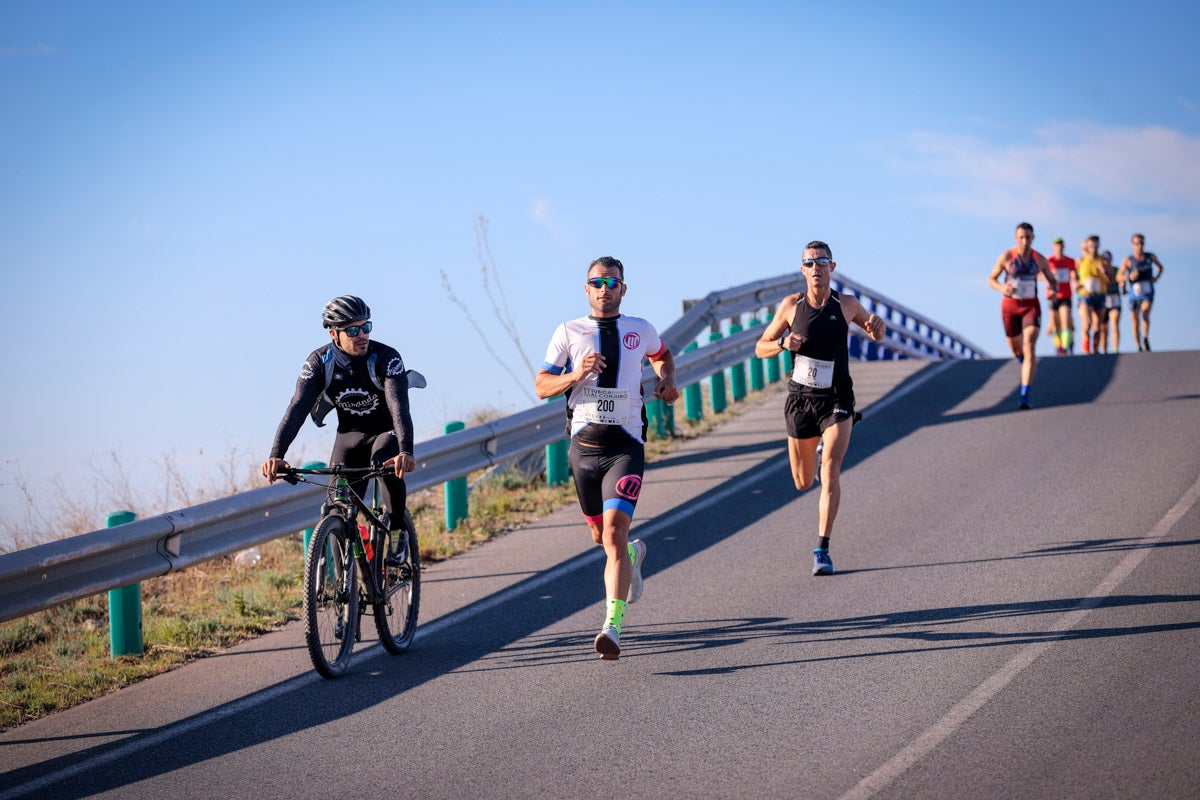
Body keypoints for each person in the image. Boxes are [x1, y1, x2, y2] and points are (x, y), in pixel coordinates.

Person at [535, 257, 678, 660]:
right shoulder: (568, 332)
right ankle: (632, 555)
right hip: (583, 450)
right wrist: (575, 375)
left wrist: (667, 380)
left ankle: (612, 625)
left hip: (625, 447)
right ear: (586, 289)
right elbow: (543, 385)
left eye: (612, 282)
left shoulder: (640, 329)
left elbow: (662, 355)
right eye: (596, 282)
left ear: (623, 289)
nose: (604, 289)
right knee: (601, 538)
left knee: (613, 533)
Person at [755, 241, 885, 577]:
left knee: (830, 470)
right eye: (810, 263)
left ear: (832, 267)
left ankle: (822, 549)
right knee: (802, 482)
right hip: (801, 401)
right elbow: (760, 348)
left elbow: (874, 331)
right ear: (803, 270)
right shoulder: (790, 307)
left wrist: (876, 329)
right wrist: (783, 343)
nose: (816, 268)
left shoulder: (846, 305)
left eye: (822, 262)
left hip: (837, 398)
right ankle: (815, 458)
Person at [261, 295, 416, 546]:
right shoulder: (319, 363)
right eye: (353, 330)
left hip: (386, 432)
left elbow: (399, 407)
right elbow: (297, 408)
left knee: (384, 464)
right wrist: (276, 454)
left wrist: (405, 451)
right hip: (349, 436)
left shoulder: (387, 358)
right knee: (336, 507)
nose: (362, 335)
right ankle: (347, 575)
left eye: (366, 327)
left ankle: (399, 534)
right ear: (334, 335)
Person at [987, 222, 1059, 409]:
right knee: (1016, 348)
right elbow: (991, 280)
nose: (1025, 241)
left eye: (1028, 237)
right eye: (1021, 237)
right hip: (1010, 307)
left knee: (1029, 345)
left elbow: (1053, 281)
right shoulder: (1007, 257)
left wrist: (1053, 290)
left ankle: (1025, 394)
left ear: (1033, 238)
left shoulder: (1040, 260)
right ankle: (1021, 357)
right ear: (1015, 238)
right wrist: (1003, 287)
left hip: (1030, 306)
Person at [1118, 233, 1165, 352]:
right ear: (1132, 245)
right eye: (1137, 243)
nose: (1140, 246)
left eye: (1141, 243)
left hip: (1147, 291)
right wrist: (1129, 277)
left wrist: (1156, 277)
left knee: (1145, 313)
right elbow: (1119, 276)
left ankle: (1145, 337)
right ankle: (1138, 344)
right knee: (1135, 321)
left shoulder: (1150, 256)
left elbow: (1161, 267)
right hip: (1134, 293)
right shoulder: (1128, 260)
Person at [1074, 236, 1107, 354]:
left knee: (1097, 326)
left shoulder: (1103, 261)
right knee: (1087, 323)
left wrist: (1104, 272)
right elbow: (1074, 275)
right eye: (1091, 246)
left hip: (1099, 295)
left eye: (1096, 246)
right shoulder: (1081, 261)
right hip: (1085, 296)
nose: (1093, 249)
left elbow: (1111, 280)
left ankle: (1096, 349)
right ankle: (1086, 347)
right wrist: (1076, 283)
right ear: (1087, 248)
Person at [1045, 236, 1076, 354]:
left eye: (1061, 245)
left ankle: (1065, 346)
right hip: (1052, 296)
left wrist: (1076, 279)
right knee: (1055, 324)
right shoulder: (1048, 261)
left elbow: (1073, 274)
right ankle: (1059, 347)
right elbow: (1039, 274)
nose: (1059, 247)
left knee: (1065, 321)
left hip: (1066, 295)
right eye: (1057, 245)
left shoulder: (1070, 261)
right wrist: (1049, 278)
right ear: (1053, 247)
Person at [1098, 250, 1122, 353]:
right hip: (1104, 299)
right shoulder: (1099, 271)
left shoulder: (1116, 270)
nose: (1106, 262)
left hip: (1115, 299)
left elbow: (1120, 279)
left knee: (1115, 324)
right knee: (1104, 329)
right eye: (1104, 260)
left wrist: (1123, 285)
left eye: (1108, 259)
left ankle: (1116, 349)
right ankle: (1104, 351)